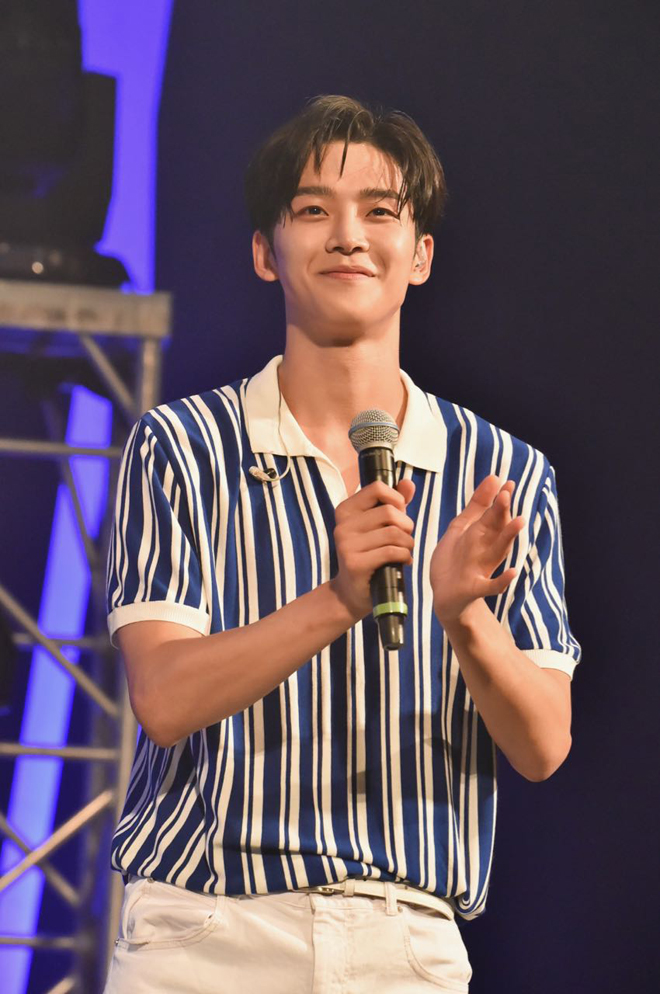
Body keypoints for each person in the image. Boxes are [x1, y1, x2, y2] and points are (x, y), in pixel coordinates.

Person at [103, 95, 581, 993]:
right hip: (206, 933)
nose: (348, 236)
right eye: (313, 209)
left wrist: (464, 617)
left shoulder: (503, 473)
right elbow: (163, 700)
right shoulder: (184, 446)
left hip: (405, 941)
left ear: (420, 254)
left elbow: (543, 744)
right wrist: (336, 600)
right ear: (265, 251)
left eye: (380, 211)